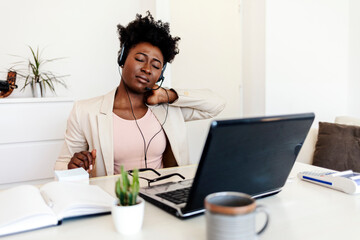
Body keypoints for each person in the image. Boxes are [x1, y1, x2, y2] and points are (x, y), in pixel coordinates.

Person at [55, 12, 226, 177]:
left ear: (161, 73)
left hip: (165, 198)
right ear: (122, 59)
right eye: (140, 59)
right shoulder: (84, 111)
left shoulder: (170, 108)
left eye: (156, 65)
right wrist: (72, 168)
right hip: (117, 201)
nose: (146, 69)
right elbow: (61, 166)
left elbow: (216, 104)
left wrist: (167, 96)